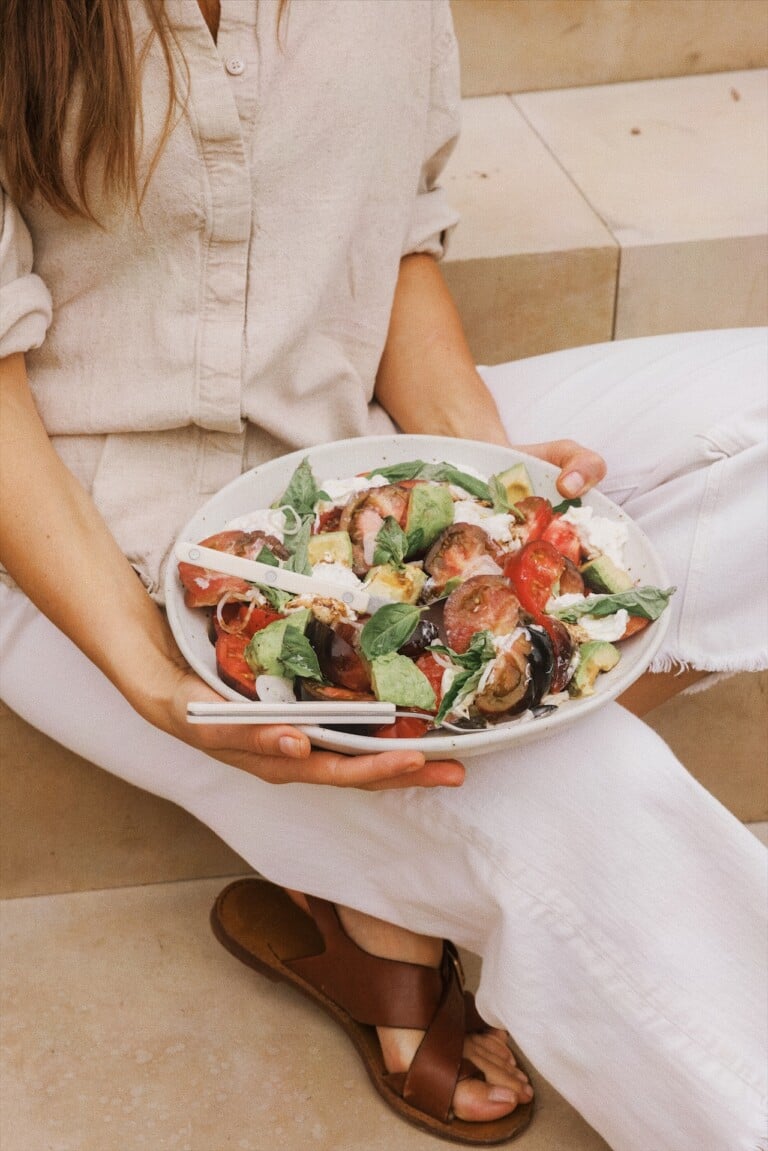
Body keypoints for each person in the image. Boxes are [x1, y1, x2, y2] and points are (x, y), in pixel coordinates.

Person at [0, 2, 765, 1148]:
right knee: (593, 790)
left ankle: (412, 836)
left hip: (348, 464)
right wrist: (160, 687)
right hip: (87, 553)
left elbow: (388, 243)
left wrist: (488, 482)